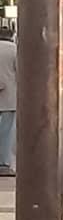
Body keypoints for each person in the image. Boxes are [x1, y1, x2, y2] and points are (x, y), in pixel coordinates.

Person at [0, 28, 16, 176]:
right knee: (6, 131)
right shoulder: (14, 50)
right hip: (8, 97)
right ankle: (4, 163)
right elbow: (21, 72)